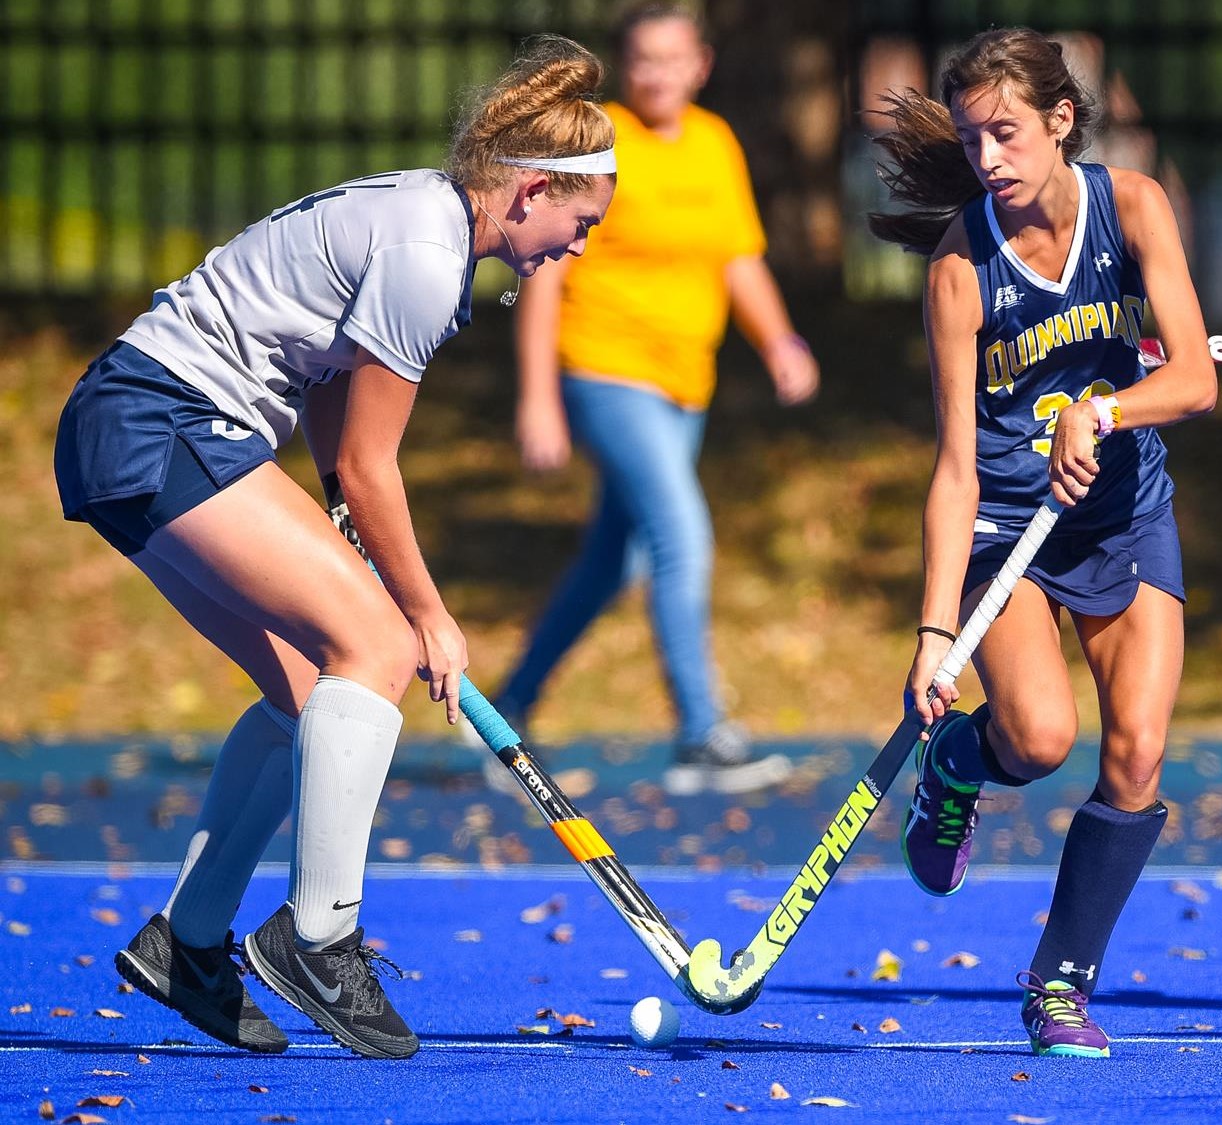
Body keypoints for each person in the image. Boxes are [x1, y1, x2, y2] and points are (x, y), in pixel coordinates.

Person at [54, 37, 618, 1058]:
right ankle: (321, 936)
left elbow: (322, 383)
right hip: (163, 420)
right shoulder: (427, 254)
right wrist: (430, 616)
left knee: (308, 689)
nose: (577, 249)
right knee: (379, 649)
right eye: (581, 225)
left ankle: (186, 943)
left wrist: (340, 521)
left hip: (140, 425)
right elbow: (370, 463)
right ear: (532, 190)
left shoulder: (424, 220)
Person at [867, 28, 1217, 1058]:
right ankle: (959, 762)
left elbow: (1194, 380)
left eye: (1006, 133)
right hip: (1005, 529)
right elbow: (952, 468)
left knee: (1139, 752)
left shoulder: (1133, 206)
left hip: (1119, 514)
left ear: (1061, 122)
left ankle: (1058, 983)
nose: (987, 159)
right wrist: (935, 635)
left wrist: (1102, 415)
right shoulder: (958, 267)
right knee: (1038, 739)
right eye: (972, 140)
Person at [482, 2, 814, 796]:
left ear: (699, 64)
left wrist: (780, 343)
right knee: (681, 536)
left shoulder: (713, 143)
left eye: (671, 59)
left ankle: (507, 713)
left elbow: (738, 258)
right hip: (604, 369)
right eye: (642, 59)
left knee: (611, 561)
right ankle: (700, 734)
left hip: (683, 384)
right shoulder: (602, 146)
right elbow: (546, 272)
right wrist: (538, 397)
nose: (656, 73)